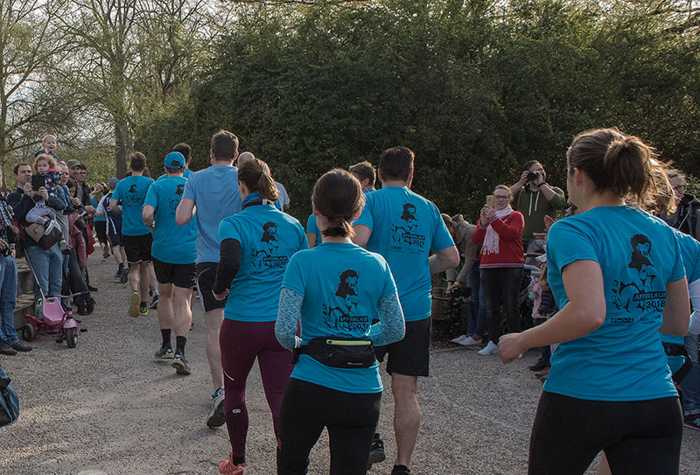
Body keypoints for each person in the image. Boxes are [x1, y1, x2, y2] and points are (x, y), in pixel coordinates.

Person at [498, 128, 690, 475]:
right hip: (655, 397)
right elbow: (677, 322)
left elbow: (589, 313)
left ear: (578, 174)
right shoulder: (662, 231)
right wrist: (632, 315)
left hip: (582, 394)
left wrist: (521, 339)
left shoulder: (573, 230)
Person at [276, 169, 406, 475]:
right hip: (362, 388)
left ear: (315, 211)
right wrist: (360, 337)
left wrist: (303, 343)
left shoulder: (302, 262)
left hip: (310, 382)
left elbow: (283, 330)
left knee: (292, 463)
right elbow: (396, 327)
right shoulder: (377, 264)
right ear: (359, 210)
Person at [353, 147, 459, 475]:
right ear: (411, 174)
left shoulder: (370, 201)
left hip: (373, 307)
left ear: (380, 173)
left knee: (360, 378)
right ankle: (403, 465)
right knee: (406, 389)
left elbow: (359, 243)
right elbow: (451, 258)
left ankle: (370, 441)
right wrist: (419, 268)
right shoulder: (428, 208)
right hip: (414, 309)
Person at [212, 158, 307, 474]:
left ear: (242, 187)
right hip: (281, 324)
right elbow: (301, 275)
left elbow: (229, 262)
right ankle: (288, 462)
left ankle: (237, 462)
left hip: (241, 322)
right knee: (280, 395)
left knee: (235, 390)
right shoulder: (293, 225)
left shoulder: (234, 223)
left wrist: (219, 290)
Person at [176, 130, 242, 429]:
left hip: (207, 260)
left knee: (215, 328)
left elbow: (182, 217)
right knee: (243, 322)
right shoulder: (243, 177)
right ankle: (239, 389)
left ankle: (221, 391)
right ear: (236, 154)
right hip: (240, 258)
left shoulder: (196, 178)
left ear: (210, 152)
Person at [143, 151, 197, 374]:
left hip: (162, 248)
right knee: (183, 298)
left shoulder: (156, 186)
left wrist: (153, 228)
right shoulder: (192, 184)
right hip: (188, 250)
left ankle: (165, 345)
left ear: (165, 168)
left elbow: (146, 214)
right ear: (184, 167)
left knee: (165, 295)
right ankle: (180, 352)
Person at [470, 185, 525, 356]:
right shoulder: (488, 217)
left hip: (511, 265)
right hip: (488, 265)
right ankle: (493, 341)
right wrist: (483, 225)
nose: (500, 200)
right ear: (493, 198)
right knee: (490, 306)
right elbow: (476, 239)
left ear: (509, 199)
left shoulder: (516, 216)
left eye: (504, 197)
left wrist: (493, 220)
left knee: (511, 306)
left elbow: (511, 234)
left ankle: (517, 344)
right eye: (497, 197)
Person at [110, 152, 155, 317]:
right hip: (145, 230)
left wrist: (123, 211)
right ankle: (144, 303)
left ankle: (134, 291)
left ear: (131, 166)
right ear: (144, 166)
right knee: (145, 267)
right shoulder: (151, 183)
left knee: (133, 266)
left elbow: (112, 205)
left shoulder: (121, 184)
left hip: (128, 230)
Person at [306, 161, 376, 248]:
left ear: (315, 208)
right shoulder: (376, 261)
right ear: (358, 212)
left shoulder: (299, 260)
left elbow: (310, 244)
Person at [0, 196, 32, 355]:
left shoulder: (2, 200)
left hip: (7, 254)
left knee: (9, 299)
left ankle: (11, 337)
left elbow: (11, 222)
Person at [510, 160, 566, 247]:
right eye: (535, 171)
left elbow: (560, 204)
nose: (539, 173)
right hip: (521, 241)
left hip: (545, 240)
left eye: (541, 169)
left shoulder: (555, 190)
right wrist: (521, 182)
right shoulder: (521, 192)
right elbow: (503, 197)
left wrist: (541, 184)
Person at [97, 177, 127, 283]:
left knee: (115, 246)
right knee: (123, 246)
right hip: (124, 224)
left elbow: (99, 212)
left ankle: (121, 266)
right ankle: (125, 266)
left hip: (111, 225)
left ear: (109, 186)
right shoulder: (122, 196)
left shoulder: (105, 198)